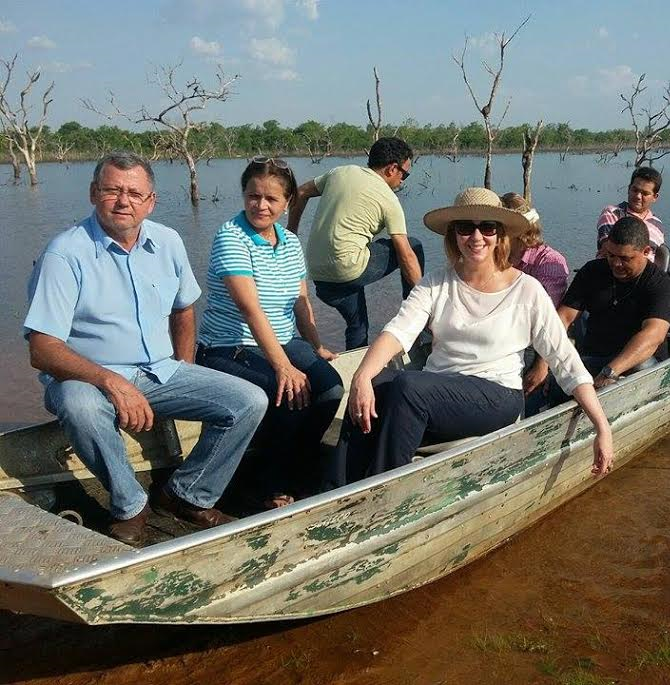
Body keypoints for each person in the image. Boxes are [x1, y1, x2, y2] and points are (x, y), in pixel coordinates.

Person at [23, 152, 268, 546]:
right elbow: (42, 348)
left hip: (158, 371)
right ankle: (130, 504)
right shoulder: (65, 254)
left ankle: (187, 494)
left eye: (135, 193)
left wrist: (184, 367)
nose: (124, 201)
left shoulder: (167, 241)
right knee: (80, 404)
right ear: (92, 194)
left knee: (249, 400)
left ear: (150, 201)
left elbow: (184, 309)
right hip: (86, 376)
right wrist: (111, 381)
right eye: (112, 190)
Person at [328, 187, 613, 489]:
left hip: (496, 395)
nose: (476, 237)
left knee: (408, 387)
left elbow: (565, 361)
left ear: (500, 235)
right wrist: (361, 376)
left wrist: (602, 427)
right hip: (436, 391)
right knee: (375, 386)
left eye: (487, 227)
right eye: (466, 228)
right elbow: (398, 331)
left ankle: (381, 493)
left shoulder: (527, 290)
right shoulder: (437, 282)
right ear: (454, 235)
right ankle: (333, 491)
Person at [196, 157, 344, 509]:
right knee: (289, 395)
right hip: (229, 346)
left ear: (287, 202)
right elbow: (251, 309)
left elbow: (301, 300)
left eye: (271, 199)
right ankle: (268, 483)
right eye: (253, 196)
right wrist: (283, 367)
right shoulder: (231, 238)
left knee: (330, 389)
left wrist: (316, 346)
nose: (260, 205)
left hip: (283, 341)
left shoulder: (290, 243)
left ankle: (299, 462)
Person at [287, 137, 425, 350]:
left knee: (358, 325)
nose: (403, 181)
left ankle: (355, 366)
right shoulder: (389, 199)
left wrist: (291, 234)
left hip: (319, 277)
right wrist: (424, 303)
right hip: (348, 270)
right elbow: (406, 255)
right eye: (404, 174)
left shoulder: (339, 172)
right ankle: (416, 317)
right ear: (391, 169)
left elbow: (301, 192)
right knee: (414, 246)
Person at [525, 216, 670, 399]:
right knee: (555, 385)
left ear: (646, 251)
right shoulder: (592, 271)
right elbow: (563, 318)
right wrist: (543, 362)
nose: (616, 264)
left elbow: (653, 336)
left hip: (637, 364)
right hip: (595, 358)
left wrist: (610, 372)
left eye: (625, 258)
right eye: (611, 255)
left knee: (640, 366)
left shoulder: (660, 283)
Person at [500, 192, 569, 307]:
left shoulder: (550, 262)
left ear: (519, 230)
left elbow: (543, 313)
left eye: (496, 227)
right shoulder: (493, 256)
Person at [595, 166, 664, 261]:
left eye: (645, 193)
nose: (638, 196)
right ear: (628, 189)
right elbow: (610, 248)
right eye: (635, 190)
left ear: (655, 197)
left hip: (648, 274)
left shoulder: (657, 225)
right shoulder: (613, 213)